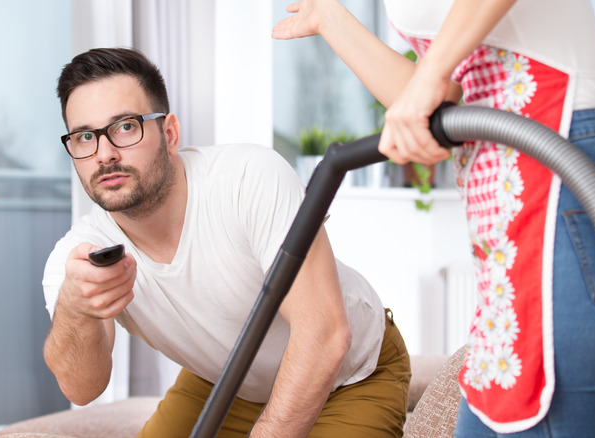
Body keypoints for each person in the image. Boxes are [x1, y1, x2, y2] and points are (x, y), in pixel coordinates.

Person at [274, 0, 595, 436]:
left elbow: (431, 86)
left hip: (562, 186)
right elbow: (440, 104)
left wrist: (427, 81)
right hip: (511, 223)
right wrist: (329, 18)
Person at [41, 47, 411, 438]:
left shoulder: (249, 179)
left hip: (350, 375)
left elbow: (326, 335)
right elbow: (81, 389)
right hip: (227, 378)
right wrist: (75, 308)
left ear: (169, 134)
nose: (105, 154)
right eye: (85, 137)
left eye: (126, 127)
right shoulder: (78, 257)